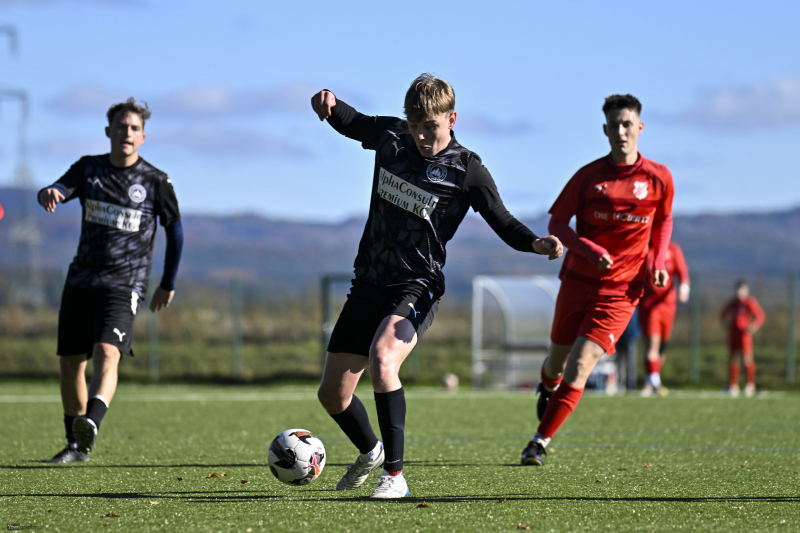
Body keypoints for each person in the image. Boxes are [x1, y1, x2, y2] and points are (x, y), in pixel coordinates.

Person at [311, 74, 563, 498]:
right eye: (415, 126)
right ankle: (371, 451)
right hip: (369, 282)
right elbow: (354, 122)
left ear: (452, 119)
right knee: (332, 396)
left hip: (417, 284)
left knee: (383, 359)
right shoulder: (392, 138)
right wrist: (330, 104)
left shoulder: (467, 169)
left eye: (430, 126)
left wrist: (535, 243)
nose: (422, 136)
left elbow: (502, 220)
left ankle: (395, 476)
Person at [521, 94, 674, 466]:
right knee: (557, 363)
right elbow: (557, 223)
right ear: (605, 130)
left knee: (582, 362)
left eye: (628, 124)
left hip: (622, 291)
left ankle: (538, 442)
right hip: (577, 281)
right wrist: (588, 249)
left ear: (640, 127)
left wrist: (658, 259)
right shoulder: (589, 176)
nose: (621, 131)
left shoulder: (659, 177)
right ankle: (548, 385)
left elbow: (663, 221)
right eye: (615, 125)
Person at [40, 98, 183, 463]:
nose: (127, 133)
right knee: (71, 363)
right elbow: (60, 187)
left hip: (125, 284)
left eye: (134, 128)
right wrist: (50, 192)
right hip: (81, 280)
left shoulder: (155, 181)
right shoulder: (89, 168)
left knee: (107, 352)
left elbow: (175, 231)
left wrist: (167, 282)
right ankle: (76, 445)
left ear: (143, 137)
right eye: (121, 126)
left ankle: (91, 420)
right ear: (108, 131)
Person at [638, 240, 690, 396]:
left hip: (668, 305)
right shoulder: (643, 250)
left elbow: (682, 271)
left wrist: (684, 287)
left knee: (662, 347)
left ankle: (653, 380)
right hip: (649, 304)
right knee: (652, 344)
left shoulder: (673, 249)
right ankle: (653, 382)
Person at [720, 280, 765, 397]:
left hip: (744, 334)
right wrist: (724, 323)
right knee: (733, 358)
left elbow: (760, 315)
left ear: (746, 290)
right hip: (733, 333)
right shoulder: (733, 303)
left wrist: (754, 326)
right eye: (738, 289)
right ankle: (733, 385)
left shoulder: (750, 302)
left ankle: (750, 385)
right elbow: (723, 314)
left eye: (742, 289)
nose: (740, 291)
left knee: (747, 358)